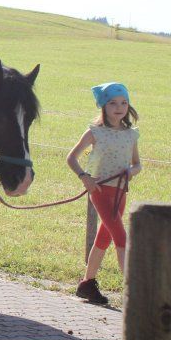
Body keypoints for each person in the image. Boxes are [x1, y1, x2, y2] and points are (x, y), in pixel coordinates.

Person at [66, 82, 141, 305]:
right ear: (103, 106)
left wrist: (131, 172)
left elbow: (137, 164)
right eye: (113, 103)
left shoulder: (131, 135)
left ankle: (87, 283)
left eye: (123, 102)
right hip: (100, 191)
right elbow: (71, 158)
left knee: (104, 237)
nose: (119, 107)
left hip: (120, 191)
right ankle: (133, 293)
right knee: (121, 237)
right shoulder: (94, 132)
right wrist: (84, 177)